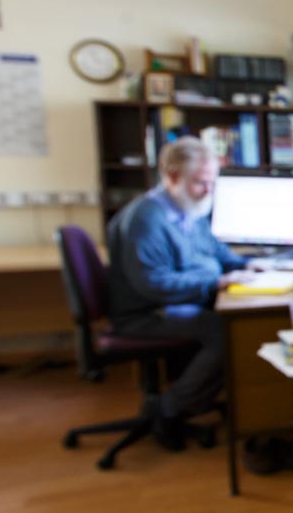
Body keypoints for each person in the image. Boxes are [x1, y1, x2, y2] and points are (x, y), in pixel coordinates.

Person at [107, 136, 254, 449]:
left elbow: (216, 251)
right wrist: (214, 284)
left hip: (177, 303)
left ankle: (194, 400)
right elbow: (154, 284)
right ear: (173, 177)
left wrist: (251, 265)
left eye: (212, 183)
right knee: (223, 331)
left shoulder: (188, 208)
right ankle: (167, 408)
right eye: (201, 183)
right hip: (148, 312)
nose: (208, 191)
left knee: (229, 323)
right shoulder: (148, 219)